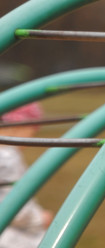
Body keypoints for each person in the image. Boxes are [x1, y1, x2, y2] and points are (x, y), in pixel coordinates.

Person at [0, 103, 54, 248]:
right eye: (33, 132)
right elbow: (10, 205)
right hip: (13, 239)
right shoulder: (8, 158)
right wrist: (40, 218)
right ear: (20, 128)